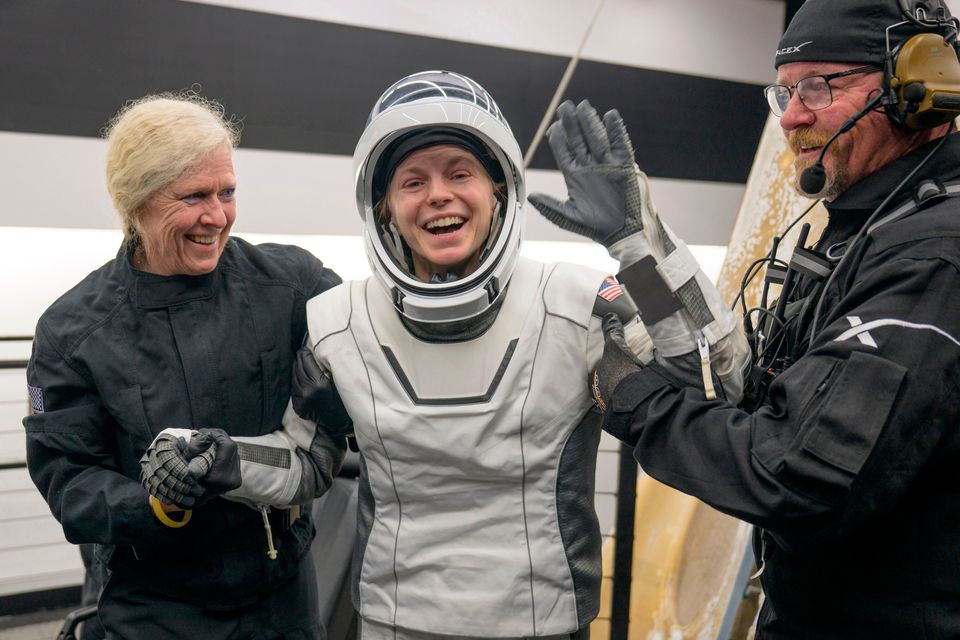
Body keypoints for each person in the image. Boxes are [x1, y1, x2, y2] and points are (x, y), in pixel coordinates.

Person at [143, 70, 748, 639]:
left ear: (498, 189)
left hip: (541, 623)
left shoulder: (576, 305)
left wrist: (637, 242)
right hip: (395, 621)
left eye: (460, 173)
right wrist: (221, 458)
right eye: (413, 181)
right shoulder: (337, 321)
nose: (438, 195)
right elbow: (305, 465)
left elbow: (711, 378)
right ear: (383, 205)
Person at [578, 1, 960, 637]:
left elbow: (796, 473)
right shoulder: (864, 230)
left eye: (818, 87)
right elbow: (748, 390)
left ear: (919, 87)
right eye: (784, 92)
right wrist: (636, 249)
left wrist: (636, 400)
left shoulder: (931, 258)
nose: (790, 116)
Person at [23, 91, 342, 639]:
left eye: (227, 192)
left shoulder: (292, 285)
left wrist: (342, 406)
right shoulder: (73, 332)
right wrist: (157, 503)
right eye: (193, 196)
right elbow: (68, 479)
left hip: (283, 598)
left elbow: (384, 342)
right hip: (157, 606)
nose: (216, 216)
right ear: (136, 203)